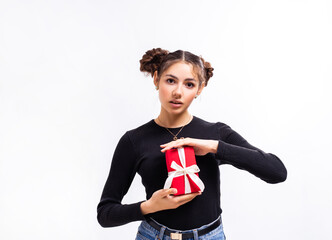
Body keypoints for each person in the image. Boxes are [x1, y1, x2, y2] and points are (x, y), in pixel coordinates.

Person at [97, 48, 287, 240]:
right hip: (153, 235)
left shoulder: (216, 133)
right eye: (170, 81)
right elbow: (105, 214)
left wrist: (215, 147)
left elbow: (277, 172)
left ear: (199, 89)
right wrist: (149, 206)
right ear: (156, 79)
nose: (178, 92)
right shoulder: (134, 140)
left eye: (189, 84)